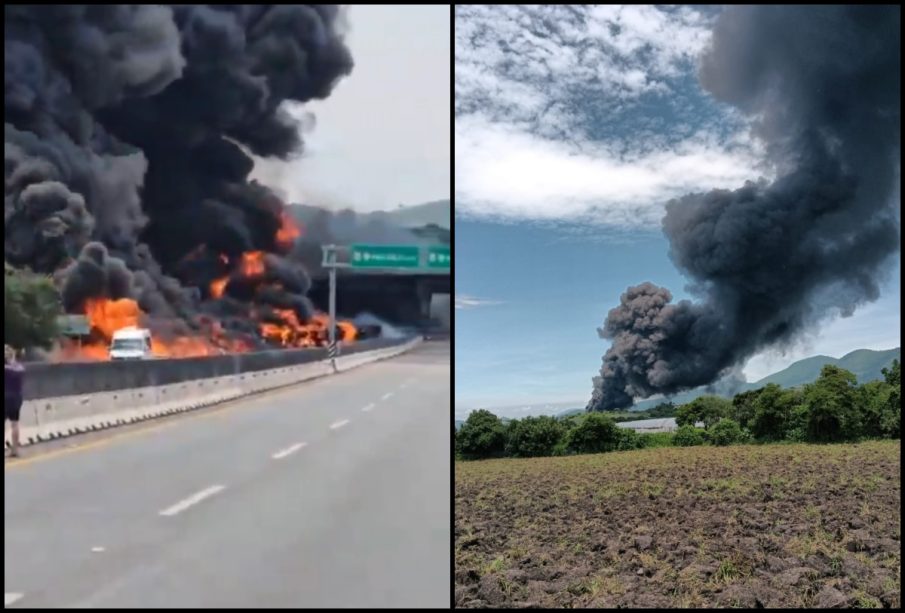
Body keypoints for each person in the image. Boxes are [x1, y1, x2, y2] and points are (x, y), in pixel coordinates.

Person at [5, 345, 25, 458]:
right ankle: (15, 450)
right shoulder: (20, 368)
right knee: (15, 423)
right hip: (17, 398)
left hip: (5, 397)